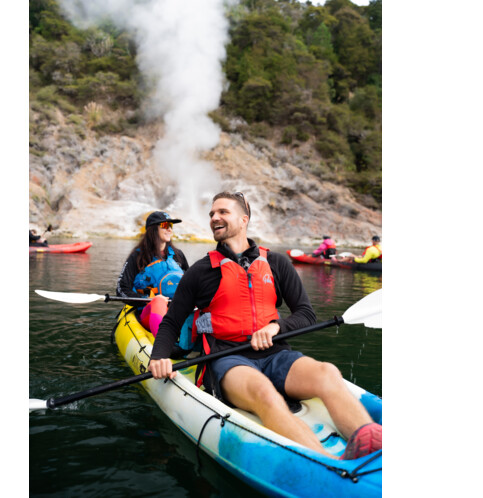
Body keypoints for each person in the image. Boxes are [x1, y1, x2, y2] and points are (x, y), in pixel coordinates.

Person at [148, 191, 381, 460]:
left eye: (223, 212)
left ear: (243, 218)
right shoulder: (201, 271)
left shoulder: (276, 263)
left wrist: (276, 328)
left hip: (276, 355)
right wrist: (159, 356)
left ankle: (371, 446)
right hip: (227, 359)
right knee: (265, 393)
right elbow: (172, 321)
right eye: (212, 213)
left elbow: (306, 314)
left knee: (328, 373)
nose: (214, 217)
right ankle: (328, 465)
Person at [116, 211, 195, 354]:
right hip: (150, 313)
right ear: (153, 229)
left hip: (176, 313)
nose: (169, 229)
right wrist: (147, 300)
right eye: (165, 225)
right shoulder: (137, 257)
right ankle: (164, 348)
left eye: (171, 225)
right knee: (158, 301)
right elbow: (121, 289)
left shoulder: (178, 256)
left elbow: (191, 287)